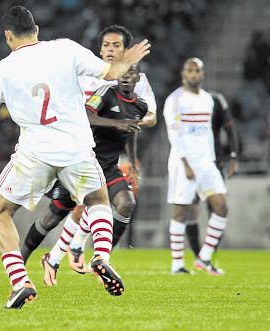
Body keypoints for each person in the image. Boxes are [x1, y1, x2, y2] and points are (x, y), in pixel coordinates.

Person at [0, 6, 150, 308]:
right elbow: (112, 73)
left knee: (0, 213)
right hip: (76, 148)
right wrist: (127, 60)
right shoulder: (65, 48)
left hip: (34, 153)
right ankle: (101, 257)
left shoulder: (2, 69)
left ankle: (20, 282)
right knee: (97, 202)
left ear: (8, 36)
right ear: (37, 29)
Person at [20, 25, 156, 271]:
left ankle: (90, 254)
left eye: (116, 45)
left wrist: (130, 126)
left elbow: (148, 116)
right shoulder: (85, 71)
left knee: (113, 203)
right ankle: (35, 258)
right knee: (56, 215)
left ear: (126, 50)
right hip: (70, 152)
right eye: (106, 45)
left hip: (103, 158)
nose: (110, 50)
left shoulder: (138, 80)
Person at [39, 64, 148, 286]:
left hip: (110, 165)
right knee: (85, 210)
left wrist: (133, 162)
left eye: (132, 72)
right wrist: (117, 124)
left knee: (126, 203)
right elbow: (86, 115)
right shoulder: (105, 94)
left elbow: (132, 131)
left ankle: (101, 257)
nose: (127, 76)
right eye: (124, 71)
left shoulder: (141, 105)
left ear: (138, 77)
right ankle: (57, 256)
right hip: (85, 161)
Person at [164, 57, 229, 275]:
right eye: (190, 70)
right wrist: (186, 164)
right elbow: (174, 134)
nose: (193, 74)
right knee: (182, 212)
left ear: (202, 74)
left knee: (221, 207)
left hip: (205, 163)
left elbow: (208, 132)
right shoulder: (175, 100)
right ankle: (177, 265)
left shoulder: (208, 99)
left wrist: (210, 161)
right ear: (184, 74)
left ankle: (204, 258)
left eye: (197, 71)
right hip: (184, 164)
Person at [184, 91, 239, 260]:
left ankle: (209, 253)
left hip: (213, 162)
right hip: (191, 162)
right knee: (190, 208)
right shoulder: (180, 101)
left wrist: (233, 156)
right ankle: (197, 254)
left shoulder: (216, 100)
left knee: (217, 207)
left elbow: (230, 128)